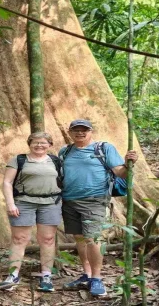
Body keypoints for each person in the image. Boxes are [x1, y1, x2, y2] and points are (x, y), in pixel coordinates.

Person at [60, 119, 138, 296]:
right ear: (70, 132)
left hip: (94, 199)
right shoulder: (65, 151)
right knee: (79, 239)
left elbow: (120, 172)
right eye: (76, 130)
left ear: (91, 131)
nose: (80, 133)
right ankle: (86, 275)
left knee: (92, 239)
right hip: (69, 200)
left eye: (84, 130)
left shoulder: (103, 148)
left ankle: (96, 278)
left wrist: (128, 163)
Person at [0, 132, 63, 292]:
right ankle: (13, 275)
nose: (39, 145)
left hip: (50, 203)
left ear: (49, 145)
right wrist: (10, 203)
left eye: (43, 143)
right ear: (29, 144)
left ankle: (46, 275)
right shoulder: (19, 160)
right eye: (35, 142)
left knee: (48, 239)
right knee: (19, 239)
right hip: (23, 202)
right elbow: (7, 182)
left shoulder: (55, 161)